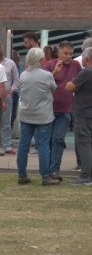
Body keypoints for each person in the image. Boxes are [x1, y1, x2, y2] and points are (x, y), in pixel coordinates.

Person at [16, 48, 59, 186]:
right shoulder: (47, 75)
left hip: (26, 114)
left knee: (24, 145)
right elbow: (54, 89)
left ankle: (22, 175)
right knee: (43, 146)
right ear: (41, 60)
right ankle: (45, 176)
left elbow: (20, 90)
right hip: (43, 116)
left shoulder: (23, 75)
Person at [43, 41, 81, 180]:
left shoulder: (76, 65)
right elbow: (43, 84)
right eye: (65, 53)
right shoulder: (49, 65)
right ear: (59, 53)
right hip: (48, 109)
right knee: (47, 140)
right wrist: (54, 73)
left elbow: (81, 81)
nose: (68, 56)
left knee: (58, 139)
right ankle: (46, 170)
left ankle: (55, 170)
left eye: (71, 54)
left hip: (65, 110)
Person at [65, 47, 92, 185]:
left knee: (84, 144)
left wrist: (72, 80)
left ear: (86, 59)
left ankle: (86, 176)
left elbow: (70, 87)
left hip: (84, 114)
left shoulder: (86, 72)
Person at [0, 41, 20, 155]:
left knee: (6, 122)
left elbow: (16, 79)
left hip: (7, 95)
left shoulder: (10, 63)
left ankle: (7, 145)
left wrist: (12, 91)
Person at [10, 50, 22, 130]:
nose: (19, 60)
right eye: (17, 59)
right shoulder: (12, 67)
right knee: (10, 116)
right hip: (10, 95)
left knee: (13, 116)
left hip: (15, 95)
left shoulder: (19, 68)